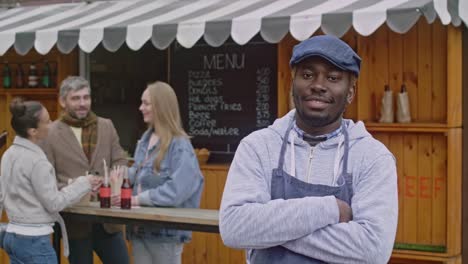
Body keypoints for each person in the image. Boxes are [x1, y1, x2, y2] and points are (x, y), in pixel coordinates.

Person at [219, 35, 398, 264]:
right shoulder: (257, 147)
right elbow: (235, 228)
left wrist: (268, 229)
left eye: (333, 78)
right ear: (292, 84)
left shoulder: (372, 157)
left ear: (350, 93)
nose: (318, 86)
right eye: (307, 75)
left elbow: (373, 250)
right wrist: (329, 209)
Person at [39, 76, 130, 264]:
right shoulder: (50, 132)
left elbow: (120, 160)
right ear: (63, 101)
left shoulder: (107, 126)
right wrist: (76, 187)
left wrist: (112, 181)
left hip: (109, 221)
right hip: (75, 223)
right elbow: (46, 178)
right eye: (76, 98)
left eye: (86, 97)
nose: (82, 103)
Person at [112, 81, 204, 264]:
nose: (141, 108)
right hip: (139, 230)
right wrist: (118, 175)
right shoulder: (144, 141)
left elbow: (177, 190)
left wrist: (138, 199)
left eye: (146, 103)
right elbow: (141, 175)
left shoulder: (180, 146)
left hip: (165, 234)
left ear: (161, 107)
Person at [0, 98, 101, 264]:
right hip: (35, 242)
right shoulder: (37, 161)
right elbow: (54, 203)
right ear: (33, 131)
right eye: (47, 121)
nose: (52, 123)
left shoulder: (8, 154)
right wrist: (84, 183)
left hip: (12, 237)